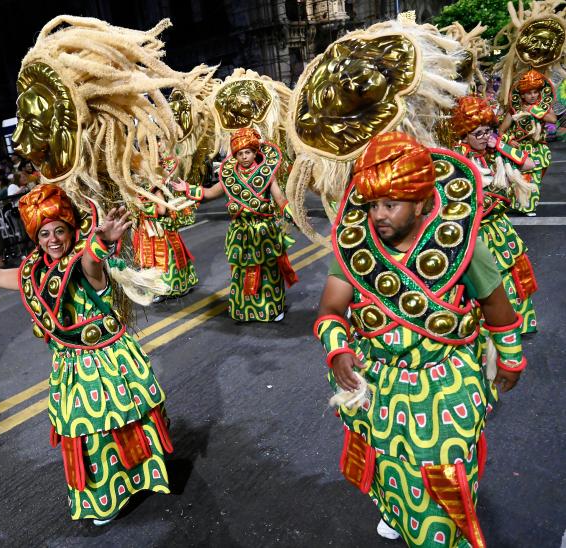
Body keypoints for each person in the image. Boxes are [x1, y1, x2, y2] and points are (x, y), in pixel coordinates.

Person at [315, 132, 526, 547]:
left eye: (390, 204)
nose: (378, 215)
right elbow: (330, 312)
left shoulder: (463, 246)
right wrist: (337, 348)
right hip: (381, 383)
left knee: (442, 468)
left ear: (422, 202)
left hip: (445, 382)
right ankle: (398, 509)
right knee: (390, 464)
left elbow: (497, 308)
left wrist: (511, 359)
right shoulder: (355, 248)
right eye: (372, 204)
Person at [0, 184, 173, 525]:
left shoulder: (83, 263)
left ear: (72, 231)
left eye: (60, 231)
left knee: (113, 423)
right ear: (35, 238)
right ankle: (106, 494)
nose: (53, 239)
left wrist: (103, 242)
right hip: (71, 364)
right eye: (44, 234)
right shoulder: (32, 272)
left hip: (106, 359)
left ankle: (137, 477)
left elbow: (92, 260)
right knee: (83, 428)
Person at [173, 127, 296, 322]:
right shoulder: (229, 177)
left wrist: (293, 215)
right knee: (241, 272)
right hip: (240, 233)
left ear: (255, 152)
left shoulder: (266, 174)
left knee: (267, 271)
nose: (244, 157)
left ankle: (271, 309)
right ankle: (246, 310)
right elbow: (210, 193)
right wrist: (187, 188)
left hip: (264, 232)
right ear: (235, 155)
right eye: (240, 153)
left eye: (248, 152)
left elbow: (280, 199)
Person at [451, 95, 539, 333]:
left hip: (500, 229)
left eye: (487, 131)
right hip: (476, 233)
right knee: (487, 282)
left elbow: (529, 164)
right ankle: (490, 329)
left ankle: (512, 327)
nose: (484, 137)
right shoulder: (458, 158)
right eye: (478, 133)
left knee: (512, 277)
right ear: (465, 133)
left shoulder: (493, 151)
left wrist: (498, 143)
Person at [133, 157, 198, 300]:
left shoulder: (155, 186)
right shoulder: (141, 186)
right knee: (151, 260)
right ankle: (157, 289)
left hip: (160, 230)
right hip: (148, 229)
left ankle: (169, 288)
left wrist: (143, 208)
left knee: (165, 259)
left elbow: (162, 209)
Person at [498, 70, 558, 215]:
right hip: (519, 151)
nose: (532, 95)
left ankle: (528, 206)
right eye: (529, 93)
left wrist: (532, 109)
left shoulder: (542, 108)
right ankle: (518, 205)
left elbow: (553, 120)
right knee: (519, 179)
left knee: (533, 181)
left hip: (538, 151)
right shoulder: (513, 111)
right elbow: (501, 131)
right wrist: (510, 141)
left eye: (535, 92)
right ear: (522, 94)